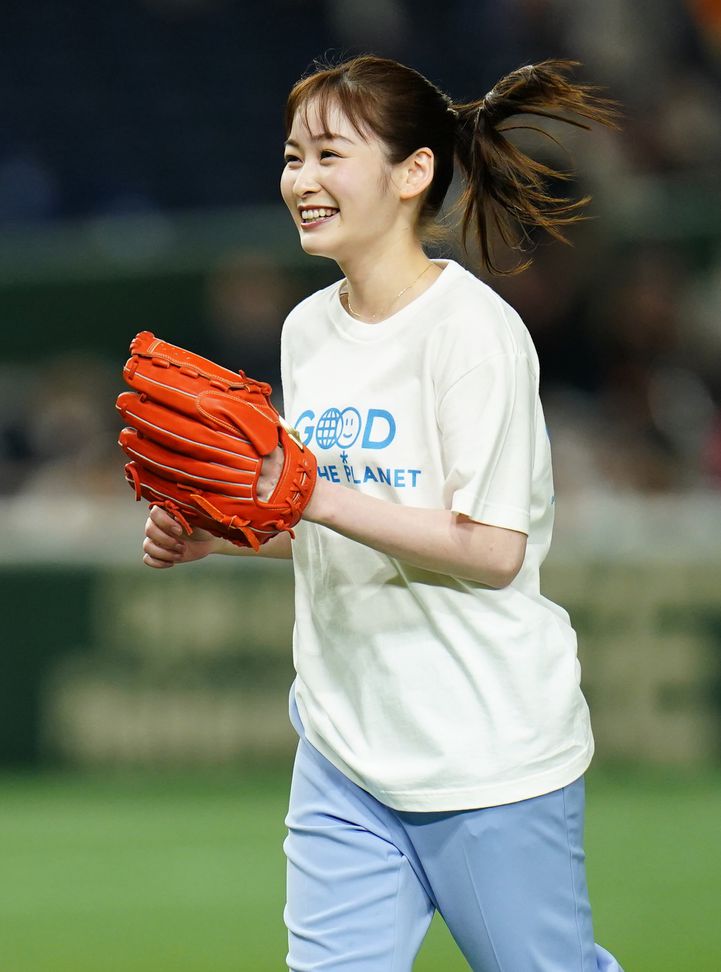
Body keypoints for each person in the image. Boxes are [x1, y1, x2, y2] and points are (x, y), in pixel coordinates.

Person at [142, 55, 623, 972]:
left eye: (330, 154)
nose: (301, 179)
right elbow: (340, 528)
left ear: (413, 172)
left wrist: (313, 494)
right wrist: (225, 535)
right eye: (292, 156)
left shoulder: (472, 331)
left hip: (482, 757)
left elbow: (492, 549)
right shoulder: (306, 329)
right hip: (343, 749)